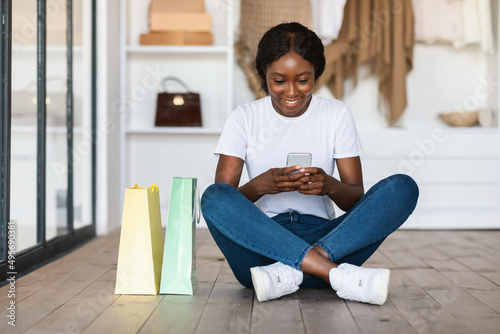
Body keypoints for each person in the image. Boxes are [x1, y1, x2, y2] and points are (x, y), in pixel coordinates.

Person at [201, 22, 418, 305]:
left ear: (316, 74)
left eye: (303, 80)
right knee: (213, 196)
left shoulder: (336, 114)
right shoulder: (243, 118)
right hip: (261, 244)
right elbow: (224, 203)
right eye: (279, 81)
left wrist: (329, 185)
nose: (291, 92)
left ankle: (291, 271)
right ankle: (335, 276)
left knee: (403, 187)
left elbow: (354, 199)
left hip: (327, 239)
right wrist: (260, 186)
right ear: (262, 74)